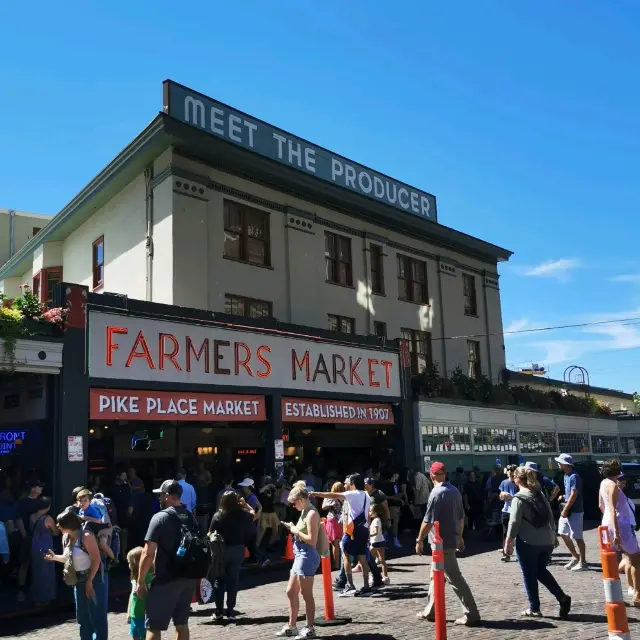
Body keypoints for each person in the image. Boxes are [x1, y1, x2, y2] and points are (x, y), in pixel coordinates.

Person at [416, 461, 480, 627]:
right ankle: (430, 611)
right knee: (435, 577)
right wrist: (459, 537)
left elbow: (427, 521)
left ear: (431, 475)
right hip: (449, 540)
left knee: (455, 578)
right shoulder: (454, 491)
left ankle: (471, 614)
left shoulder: (436, 494)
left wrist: (419, 539)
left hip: (440, 544)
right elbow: (461, 517)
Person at [504, 466, 572, 618]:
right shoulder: (539, 494)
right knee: (540, 571)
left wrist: (509, 540)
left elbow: (514, 522)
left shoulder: (518, 498)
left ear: (517, 479)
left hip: (529, 541)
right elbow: (549, 514)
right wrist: (554, 535)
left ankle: (534, 607)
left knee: (529, 574)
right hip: (546, 540)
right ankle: (562, 597)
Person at [136, 480, 199, 640]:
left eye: (161, 495)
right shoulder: (189, 516)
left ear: (167, 496)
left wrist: (140, 581)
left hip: (166, 579)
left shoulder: (160, 518)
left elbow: (147, 553)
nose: (159, 498)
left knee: (154, 627)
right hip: (188, 576)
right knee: (182, 624)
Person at [312, 474, 380, 597]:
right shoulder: (366, 495)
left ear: (353, 483)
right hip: (364, 529)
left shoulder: (352, 494)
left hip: (352, 530)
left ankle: (350, 586)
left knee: (346, 557)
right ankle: (366, 587)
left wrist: (314, 493)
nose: (347, 484)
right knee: (363, 558)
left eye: (349, 482)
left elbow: (332, 495)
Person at [45, 509, 108, 640]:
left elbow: (96, 560)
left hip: (94, 579)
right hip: (78, 580)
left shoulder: (86, 536)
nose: (57, 526)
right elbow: (68, 558)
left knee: (97, 616)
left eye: (60, 524)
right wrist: (55, 557)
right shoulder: (66, 537)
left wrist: (90, 581)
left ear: (69, 524)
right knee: (82, 617)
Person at [277, 481, 321, 639]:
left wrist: (294, 530)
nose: (293, 506)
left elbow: (312, 540)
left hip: (307, 555)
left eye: (294, 503)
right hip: (300, 554)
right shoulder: (305, 511)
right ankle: (292, 625)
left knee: (306, 594)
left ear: (301, 499)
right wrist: (293, 528)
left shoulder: (311, 513)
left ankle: (310, 628)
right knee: (291, 591)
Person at [208, 490, 254, 621]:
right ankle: (230, 611)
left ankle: (218, 611)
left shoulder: (218, 516)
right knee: (233, 581)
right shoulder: (242, 515)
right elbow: (253, 513)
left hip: (221, 550)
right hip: (237, 549)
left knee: (219, 579)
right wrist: (245, 504)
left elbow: (210, 532)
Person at [599, 460, 639, 605]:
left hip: (606, 523)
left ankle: (616, 596)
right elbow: (612, 508)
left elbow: (601, 505)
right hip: (620, 525)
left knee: (614, 562)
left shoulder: (603, 483)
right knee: (635, 559)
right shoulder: (614, 486)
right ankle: (637, 595)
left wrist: (608, 524)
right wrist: (616, 531)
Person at [551, 454, 587, 570]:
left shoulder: (574, 476)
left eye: (560, 463)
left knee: (577, 537)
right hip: (567, 510)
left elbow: (574, 494)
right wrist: (563, 496)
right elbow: (569, 493)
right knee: (562, 532)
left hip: (575, 511)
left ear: (566, 464)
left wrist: (565, 509)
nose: (558, 464)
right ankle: (575, 556)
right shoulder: (566, 475)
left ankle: (583, 562)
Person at [15, 479, 44, 601]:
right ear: (33, 489)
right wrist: (25, 535)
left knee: (38, 564)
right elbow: (19, 519)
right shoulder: (23, 502)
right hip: (28, 536)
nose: (41, 489)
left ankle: (37, 591)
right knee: (25, 564)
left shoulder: (42, 502)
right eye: (39, 486)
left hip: (40, 537)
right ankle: (20, 591)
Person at [29, 496, 58, 605]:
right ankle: (45, 598)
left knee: (37, 573)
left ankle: (36, 597)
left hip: (34, 546)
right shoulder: (48, 518)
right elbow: (55, 532)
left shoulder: (32, 516)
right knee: (46, 573)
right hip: (46, 548)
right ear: (48, 506)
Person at [76, 489, 116, 566]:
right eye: (80, 501)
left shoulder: (93, 510)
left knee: (102, 544)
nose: (82, 503)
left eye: (85, 501)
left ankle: (114, 559)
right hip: (95, 530)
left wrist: (87, 517)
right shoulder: (81, 510)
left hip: (104, 528)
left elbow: (98, 521)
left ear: (90, 502)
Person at [127, 546, 154, 640]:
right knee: (135, 635)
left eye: (130, 563)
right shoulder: (134, 579)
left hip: (143, 614)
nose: (129, 565)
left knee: (144, 636)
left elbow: (150, 596)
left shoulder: (147, 578)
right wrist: (129, 613)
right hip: (134, 614)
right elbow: (131, 595)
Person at [322, 481, 344, 570]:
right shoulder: (343, 496)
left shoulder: (332, 496)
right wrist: (330, 504)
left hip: (335, 520)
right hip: (337, 520)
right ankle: (340, 564)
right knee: (340, 543)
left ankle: (338, 564)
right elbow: (323, 507)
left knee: (336, 544)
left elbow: (323, 507)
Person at [499, 465, 518, 562]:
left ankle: (519, 554)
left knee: (518, 533)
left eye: (512, 470)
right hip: (506, 510)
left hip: (516, 511)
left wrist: (511, 497)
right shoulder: (504, 482)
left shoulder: (518, 483)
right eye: (508, 470)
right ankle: (506, 553)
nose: (509, 472)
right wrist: (502, 495)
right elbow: (501, 496)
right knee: (505, 533)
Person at [369, 504, 389, 584]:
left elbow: (376, 532)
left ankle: (373, 576)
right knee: (382, 560)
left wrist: (368, 535)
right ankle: (386, 577)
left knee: (371, 561)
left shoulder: (376, 520)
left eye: (370, 511)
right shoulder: (377, 519)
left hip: (375, 542)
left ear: (376, 512)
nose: (369, 512)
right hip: (380, 541)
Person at [258, 477, 280, 549]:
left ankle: (270, 544)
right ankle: (257, 545)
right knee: (262, 530)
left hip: (272, 512)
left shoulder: (271, 490)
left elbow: (276, 496)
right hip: (264, 512)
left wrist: (274, 488)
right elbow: (260, 492)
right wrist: (266, 486)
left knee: (275, 528)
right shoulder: (261, 489)